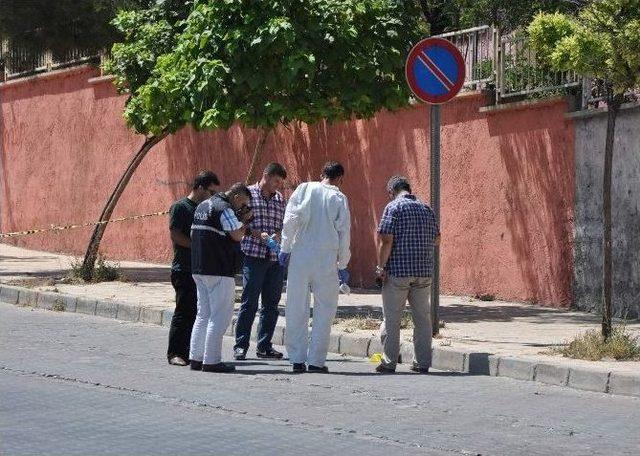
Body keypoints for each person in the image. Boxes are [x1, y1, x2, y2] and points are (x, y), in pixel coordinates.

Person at [278, 161, 351, 373]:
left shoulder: (304, 188)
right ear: (340, 178)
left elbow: (290, 219)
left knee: (296, 307)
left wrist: (285, 247)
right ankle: (317, 361)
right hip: (326, 259)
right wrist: (343, 263)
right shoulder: (339, 198)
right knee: (324, 310)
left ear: (322, 173)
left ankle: (297, 359)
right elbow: (344, 232)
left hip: (300, 256)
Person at [374, 176, 440, 374]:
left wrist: (380, 268)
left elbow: (386, 240)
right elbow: (437, 239)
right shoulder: (426, 208)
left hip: (398, 272)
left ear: (392, 191)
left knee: (392, 318)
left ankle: (389, 361)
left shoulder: (393, 207)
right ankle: (421, 363)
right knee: (422, 319)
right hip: (423, 272)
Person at [189, 183, 253, 373]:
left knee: (203, 314)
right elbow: (236, 236)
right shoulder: (224, 208)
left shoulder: (203, 205)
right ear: (235, 197)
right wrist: (245, 221)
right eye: (242, 203)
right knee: (220, 316)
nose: (242, 207)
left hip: (199, 267)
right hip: (218, 268)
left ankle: (196, 357)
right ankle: (211, 360)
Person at [234, 163, 288, 360]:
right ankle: (240, 345)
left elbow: (284, 225)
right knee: (249, 303)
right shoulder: (248, 194)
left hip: (274, 260)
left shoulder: (280, 200)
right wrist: (258, 235)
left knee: (271, 305)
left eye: (280, 183)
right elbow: (239, 225)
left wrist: (279, 235)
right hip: (253, 257)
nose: (278, 186)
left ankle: (264, 346)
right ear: (265, 176)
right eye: (276, 181)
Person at [167, 170, 220, 366]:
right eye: (210, 192)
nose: (212, 196)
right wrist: (197, 245)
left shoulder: (205, 209)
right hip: (183, 268)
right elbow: (176, 235)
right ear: (199, 188)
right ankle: (175, 353)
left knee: (198, 313)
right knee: (184, 311)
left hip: (200, 270)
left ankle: (192, 352)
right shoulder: (181, 207)